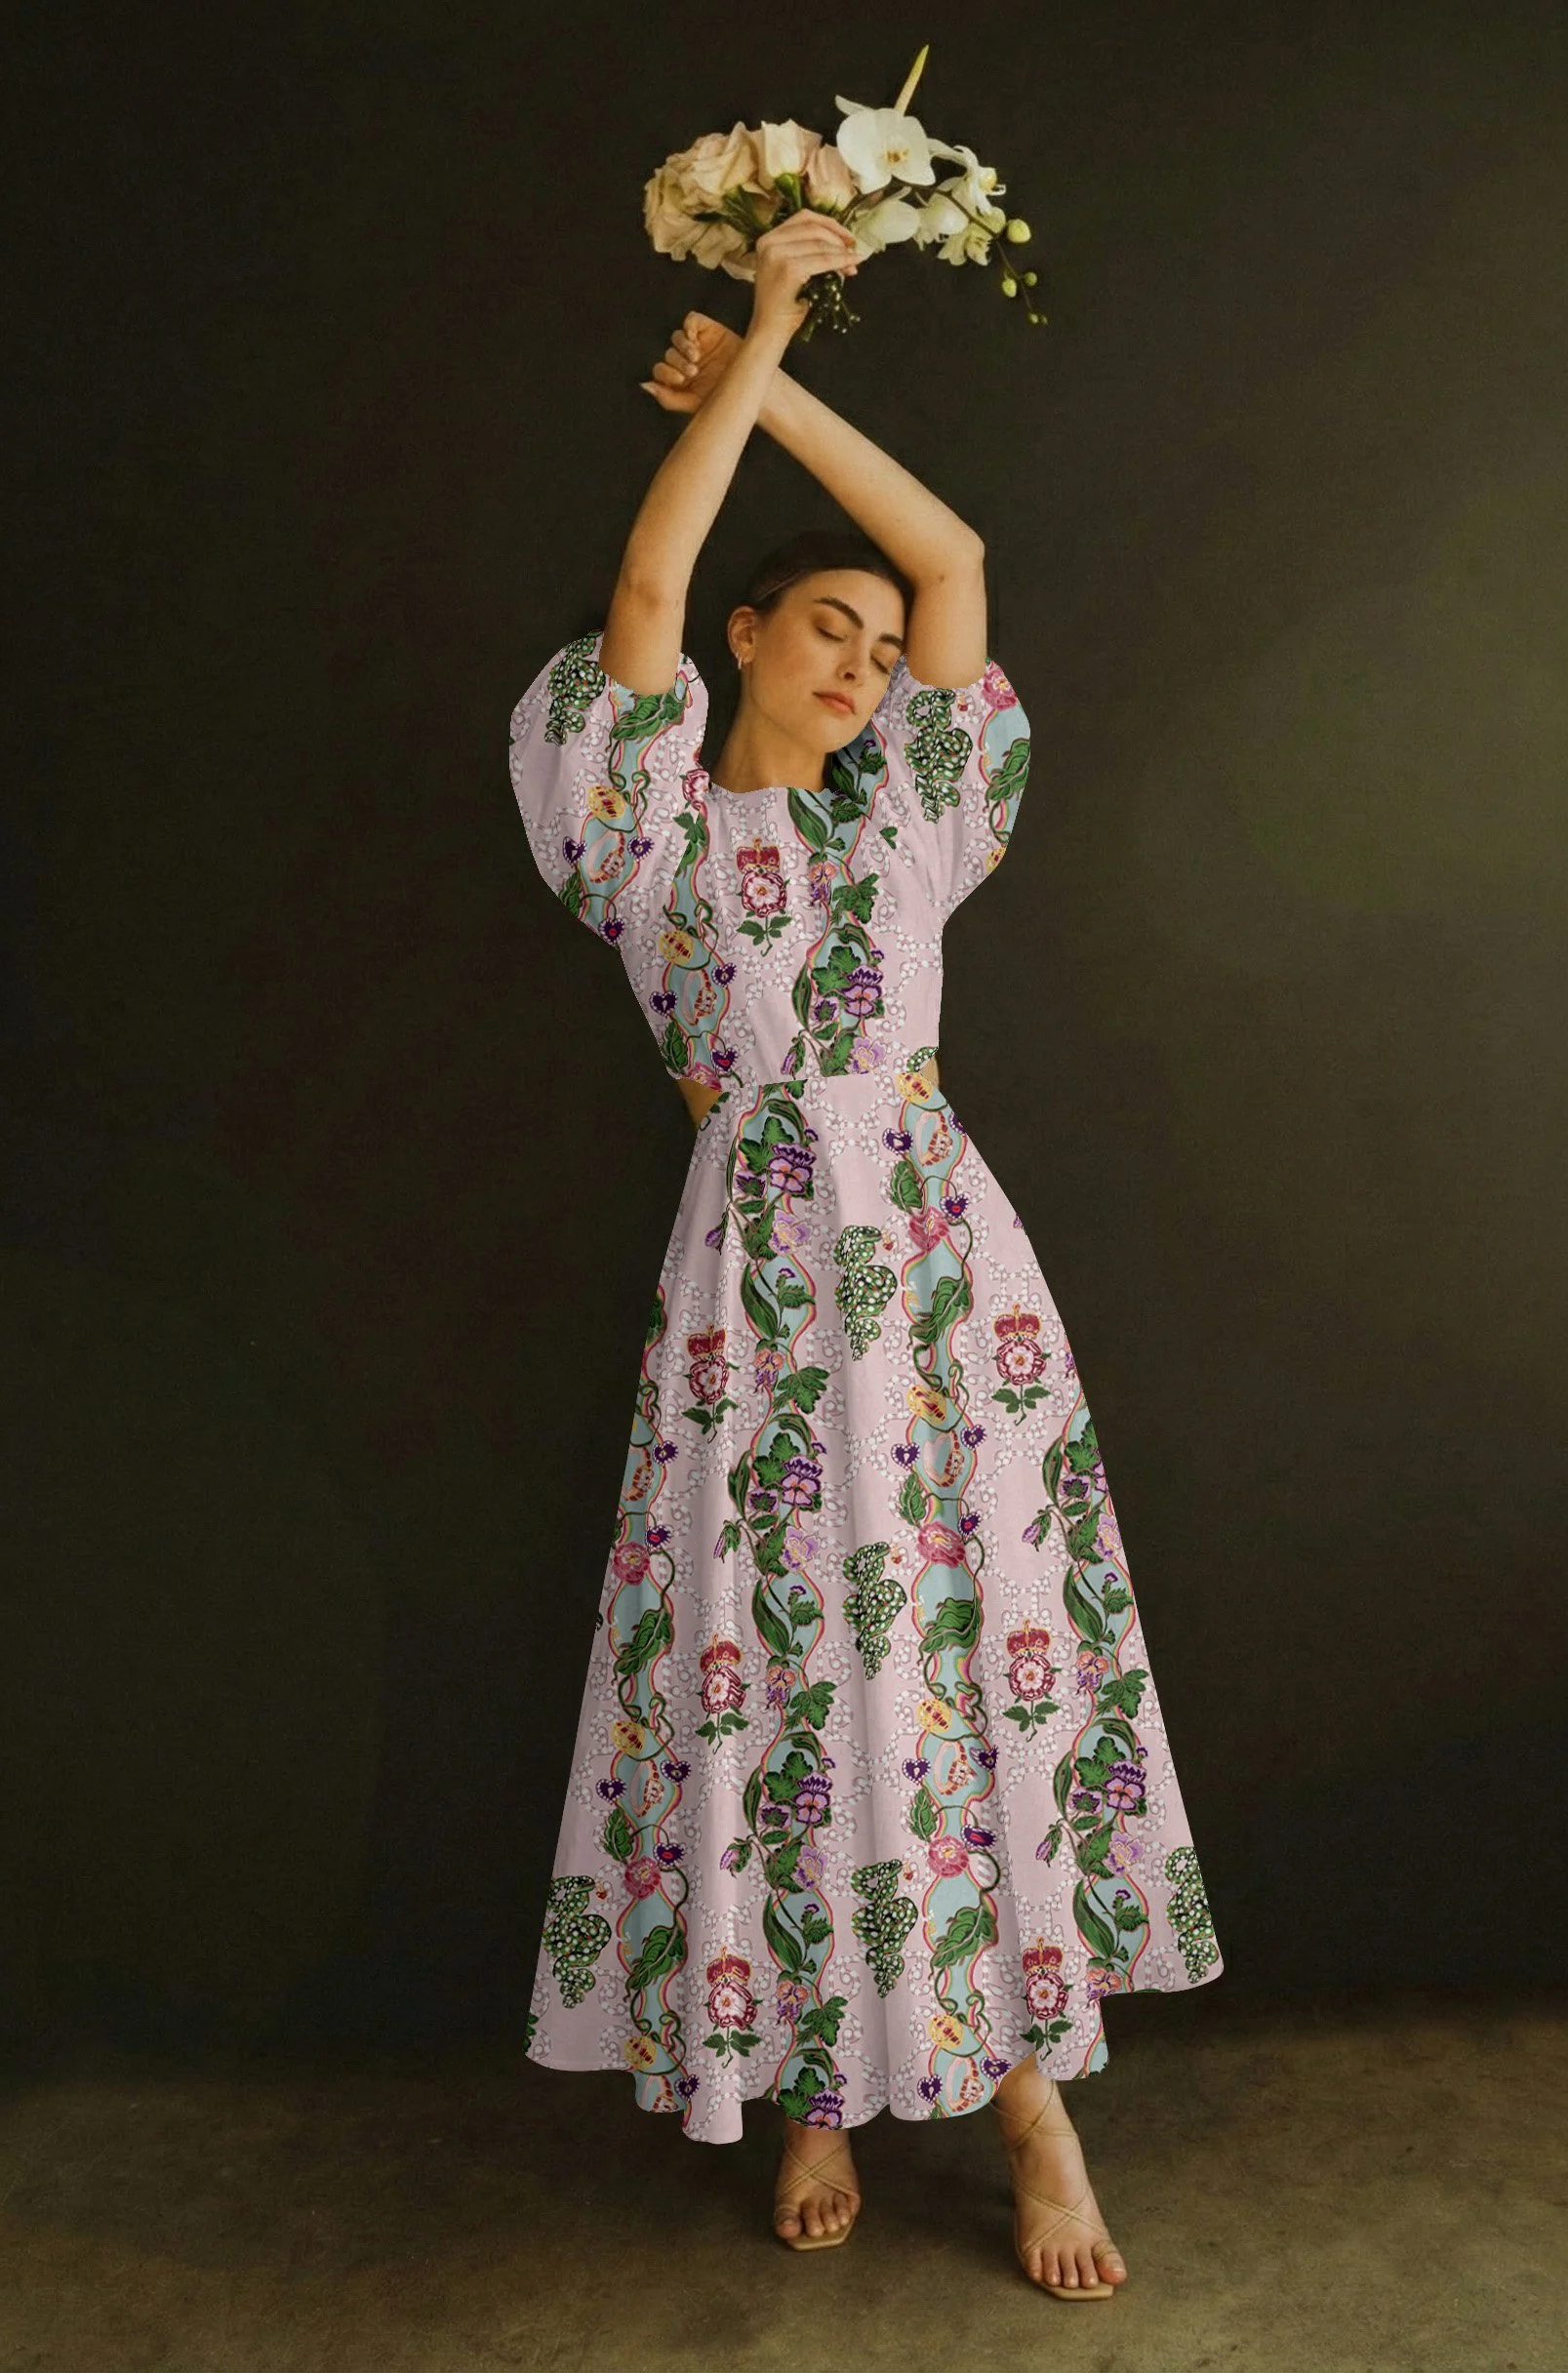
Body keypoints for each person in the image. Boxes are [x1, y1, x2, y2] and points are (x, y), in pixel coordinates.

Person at [508, 207, 1223, 2302]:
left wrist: (787, 369)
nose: (865, 664)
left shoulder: (912, 821)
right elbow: (645, 588)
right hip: (754, 1289)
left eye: (882, 655)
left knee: (965, 1653)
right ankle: (816, 2075)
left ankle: (1033, 2108)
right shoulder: (646, 834)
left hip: (937, 1275)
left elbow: (954, 556)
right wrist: (749, 346)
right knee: (789, 1665)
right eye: (826, 627)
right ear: (748, 637)